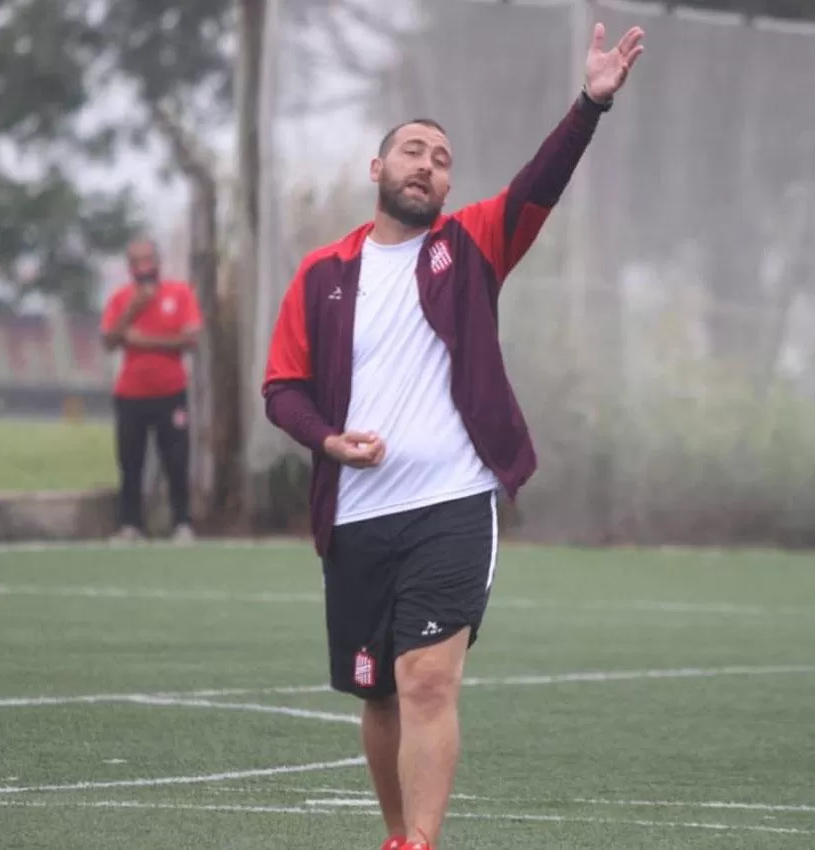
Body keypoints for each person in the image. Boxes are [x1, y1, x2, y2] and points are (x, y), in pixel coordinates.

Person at [260, 22, 645, 850]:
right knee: (380, 696)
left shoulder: (469, 247)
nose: (426, 164)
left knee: (428, 679)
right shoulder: (322, 275)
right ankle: (398, 833)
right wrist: (328, 441)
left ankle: (419, 843)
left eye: (440, 158)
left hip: (453, 502)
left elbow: (540, 183)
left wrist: (590, 104)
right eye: (411, 151)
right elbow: (281, 389)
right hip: (358, 514)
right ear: (377, 168)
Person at [100, 237, 202, 544]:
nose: (143, 267)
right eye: (136, 261)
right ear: (130, 267)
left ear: (158, 262)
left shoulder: (179, 294)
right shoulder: (121, 299)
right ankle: (130, 525)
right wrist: (132, 310)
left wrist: (144, 341)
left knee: (177, 459)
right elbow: (109, 341)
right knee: (130, 460)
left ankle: (182, 523)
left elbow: (191, 339)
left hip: (171, 393)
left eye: (148, 260)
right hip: (130, 394)